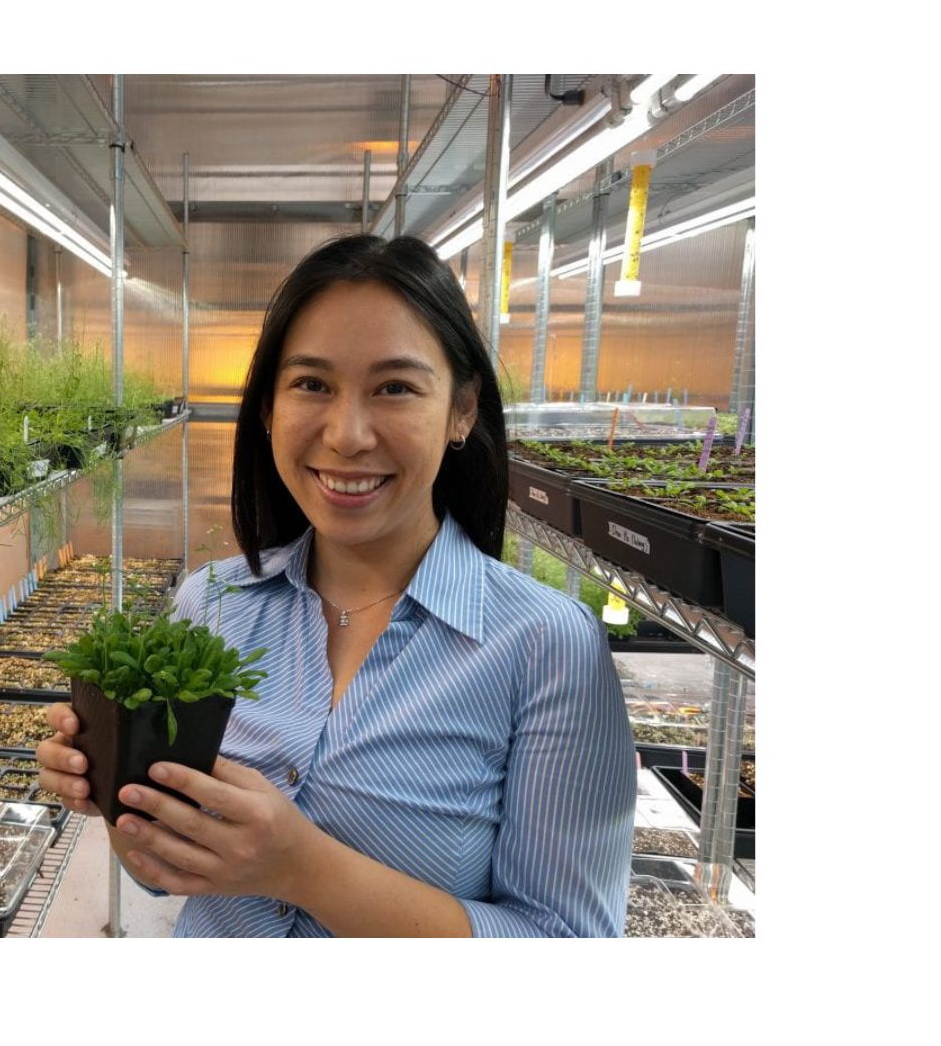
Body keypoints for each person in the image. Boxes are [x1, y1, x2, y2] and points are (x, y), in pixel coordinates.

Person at [36, 233, 634, 936]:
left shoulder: (545, 645)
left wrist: (301, 868)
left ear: (462, 410)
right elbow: (158, 874)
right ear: (267, 407)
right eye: (311, 384)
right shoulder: (213, 604)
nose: (348, 435)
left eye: (396, 388)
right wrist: (119, 797)